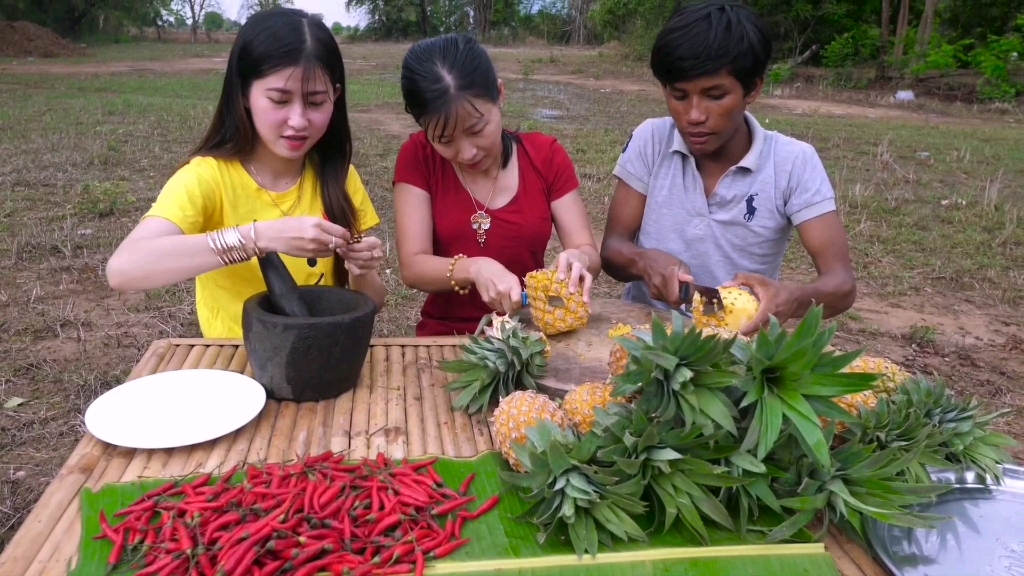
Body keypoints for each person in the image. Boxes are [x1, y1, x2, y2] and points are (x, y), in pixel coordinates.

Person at [106, 8, 387, 339]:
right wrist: (259, 237)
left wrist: (361, 270)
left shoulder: (338, 176)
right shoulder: (208, 178)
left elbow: (373, 301)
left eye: (315, 102)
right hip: (236, 368)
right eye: (279, 100)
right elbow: (124, 269)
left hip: (321, 358)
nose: (298, 120)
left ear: (335, 97)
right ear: (244, 94)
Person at [600, 1, 856, 336]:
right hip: (648, 334)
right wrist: (644, 262)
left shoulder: (793, 163)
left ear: (753, 89)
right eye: (679, 95)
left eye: (715, 96)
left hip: (739, 343)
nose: (693, 115)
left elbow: (841, 285)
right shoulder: (651, 139)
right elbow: (613, 249)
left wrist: (793, 298)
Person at [392, 33, 602, 337]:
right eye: (444, 140)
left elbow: (588, 252)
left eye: (477, 129)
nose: (466, 153)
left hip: (530, 334)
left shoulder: (545, 157)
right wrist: (474, 269)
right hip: (446, 338)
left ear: (500, 94)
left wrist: (580, 258)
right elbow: (413, 266)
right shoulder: (418, 157)